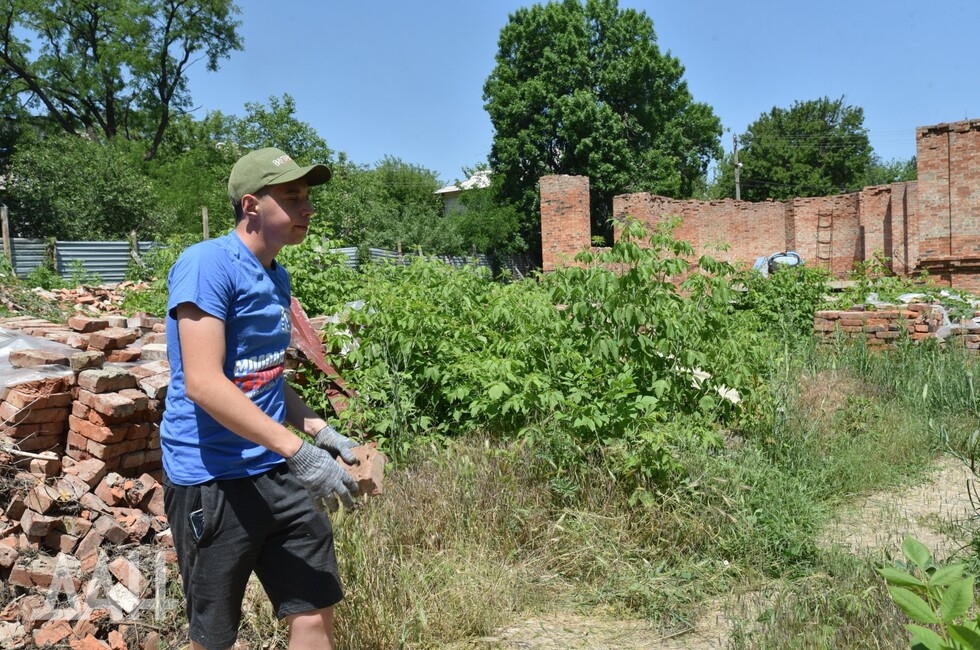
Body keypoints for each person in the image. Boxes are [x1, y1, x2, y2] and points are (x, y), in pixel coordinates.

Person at [160, 146, 361, 650]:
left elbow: (263, 376)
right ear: (251, 206)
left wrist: (318, 429)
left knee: (314, 604)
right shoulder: (207, 265)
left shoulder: (277, 275)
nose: (307, 207)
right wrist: (300, 452)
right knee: (215, 637)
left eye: (308, 196)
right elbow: (204, 384)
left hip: (274, 472)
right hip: (214, 481)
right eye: (292, 196)